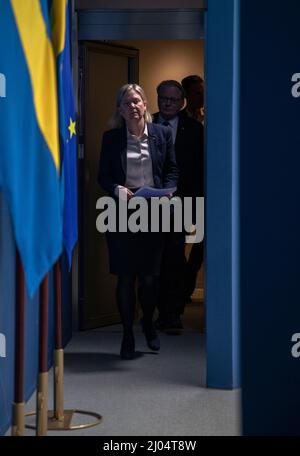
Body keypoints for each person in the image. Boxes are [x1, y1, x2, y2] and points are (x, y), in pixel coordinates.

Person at [98, 83, 178, 359]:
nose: (133, 107)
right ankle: (127, 335)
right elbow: (103, 177)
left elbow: (171, 171)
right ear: (120, 109)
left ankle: (147, 324)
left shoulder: (162, 134)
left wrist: (168, 193)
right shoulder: (111, 139)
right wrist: (116, 189)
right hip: (121, 212)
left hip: (153, 210)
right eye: (127, 103)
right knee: (125, 276)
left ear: (145, 105)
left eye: (137, 101)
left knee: (149, 277)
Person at [152, 80, 204, 331]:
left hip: (181, 204)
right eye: (164, 98)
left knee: (174, 258)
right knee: (152, 259)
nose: (168, 103)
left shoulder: (194, 129)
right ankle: (154, 310)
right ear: (157, 98)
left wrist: (197, 206)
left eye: (173, 99)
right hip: (146, 206)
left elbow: (198, 170)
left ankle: (172, 312)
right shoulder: (144, 123)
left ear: (182, 102)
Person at [181, 75, 205, 302]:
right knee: (177, 246)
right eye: (198, 92)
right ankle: (177, 295)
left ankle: (186, 288)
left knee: (201, 246)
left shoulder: (210, 118)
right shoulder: (179, 122)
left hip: (206, 194)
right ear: (186, 95)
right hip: (184, 194)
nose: (202, 96)